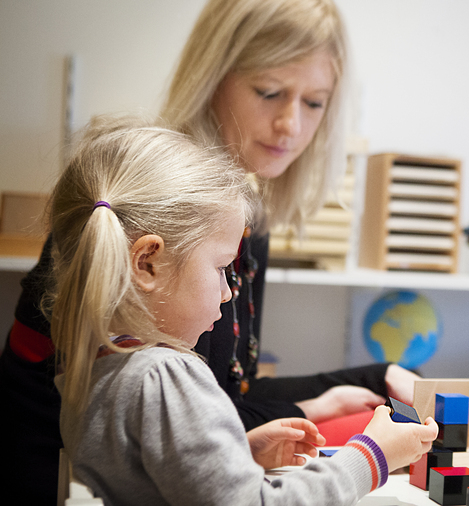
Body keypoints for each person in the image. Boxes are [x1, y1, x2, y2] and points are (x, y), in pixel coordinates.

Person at [0, 0, 419, 502]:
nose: (291, 124)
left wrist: (360, 381)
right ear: (214, 78)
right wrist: (366, 453)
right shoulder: (128, 211)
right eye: (269, 92)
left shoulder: (237, 221)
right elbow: (173, 410)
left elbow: (215, 399)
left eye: (315, 103)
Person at [51, 116, 438, 505]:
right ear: (148, 263)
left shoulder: (93, 367)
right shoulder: (165, 375)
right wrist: (372, 457)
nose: (227, 293)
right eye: (221, 268)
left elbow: (152, 482)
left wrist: (238, 454)